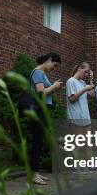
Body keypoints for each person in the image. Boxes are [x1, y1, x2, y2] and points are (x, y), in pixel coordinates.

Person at [29, 53, 63, 185]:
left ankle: (36, 172)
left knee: (40, 140)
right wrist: (53, 86)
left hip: (42, 109)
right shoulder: (38, 73)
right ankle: (34, 174)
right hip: (38, 109)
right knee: (37, 141)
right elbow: (41, 93)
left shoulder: (41, 73)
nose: (54, 68)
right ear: (49, 60)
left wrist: (54, 88)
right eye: (54, 65)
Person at [66, 62, 95, 173]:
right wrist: (84, 89)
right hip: (76, 116)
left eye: (89, 73)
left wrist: (91, 81)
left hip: (85, 116)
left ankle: (91, 165)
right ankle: (74, 167)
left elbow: (92, 95)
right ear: (79, 69)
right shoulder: (71, 81)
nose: (87, 74)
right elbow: (72, 99)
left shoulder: (83, 82)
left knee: (88, 142)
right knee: (78, 143)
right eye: (86, 72)